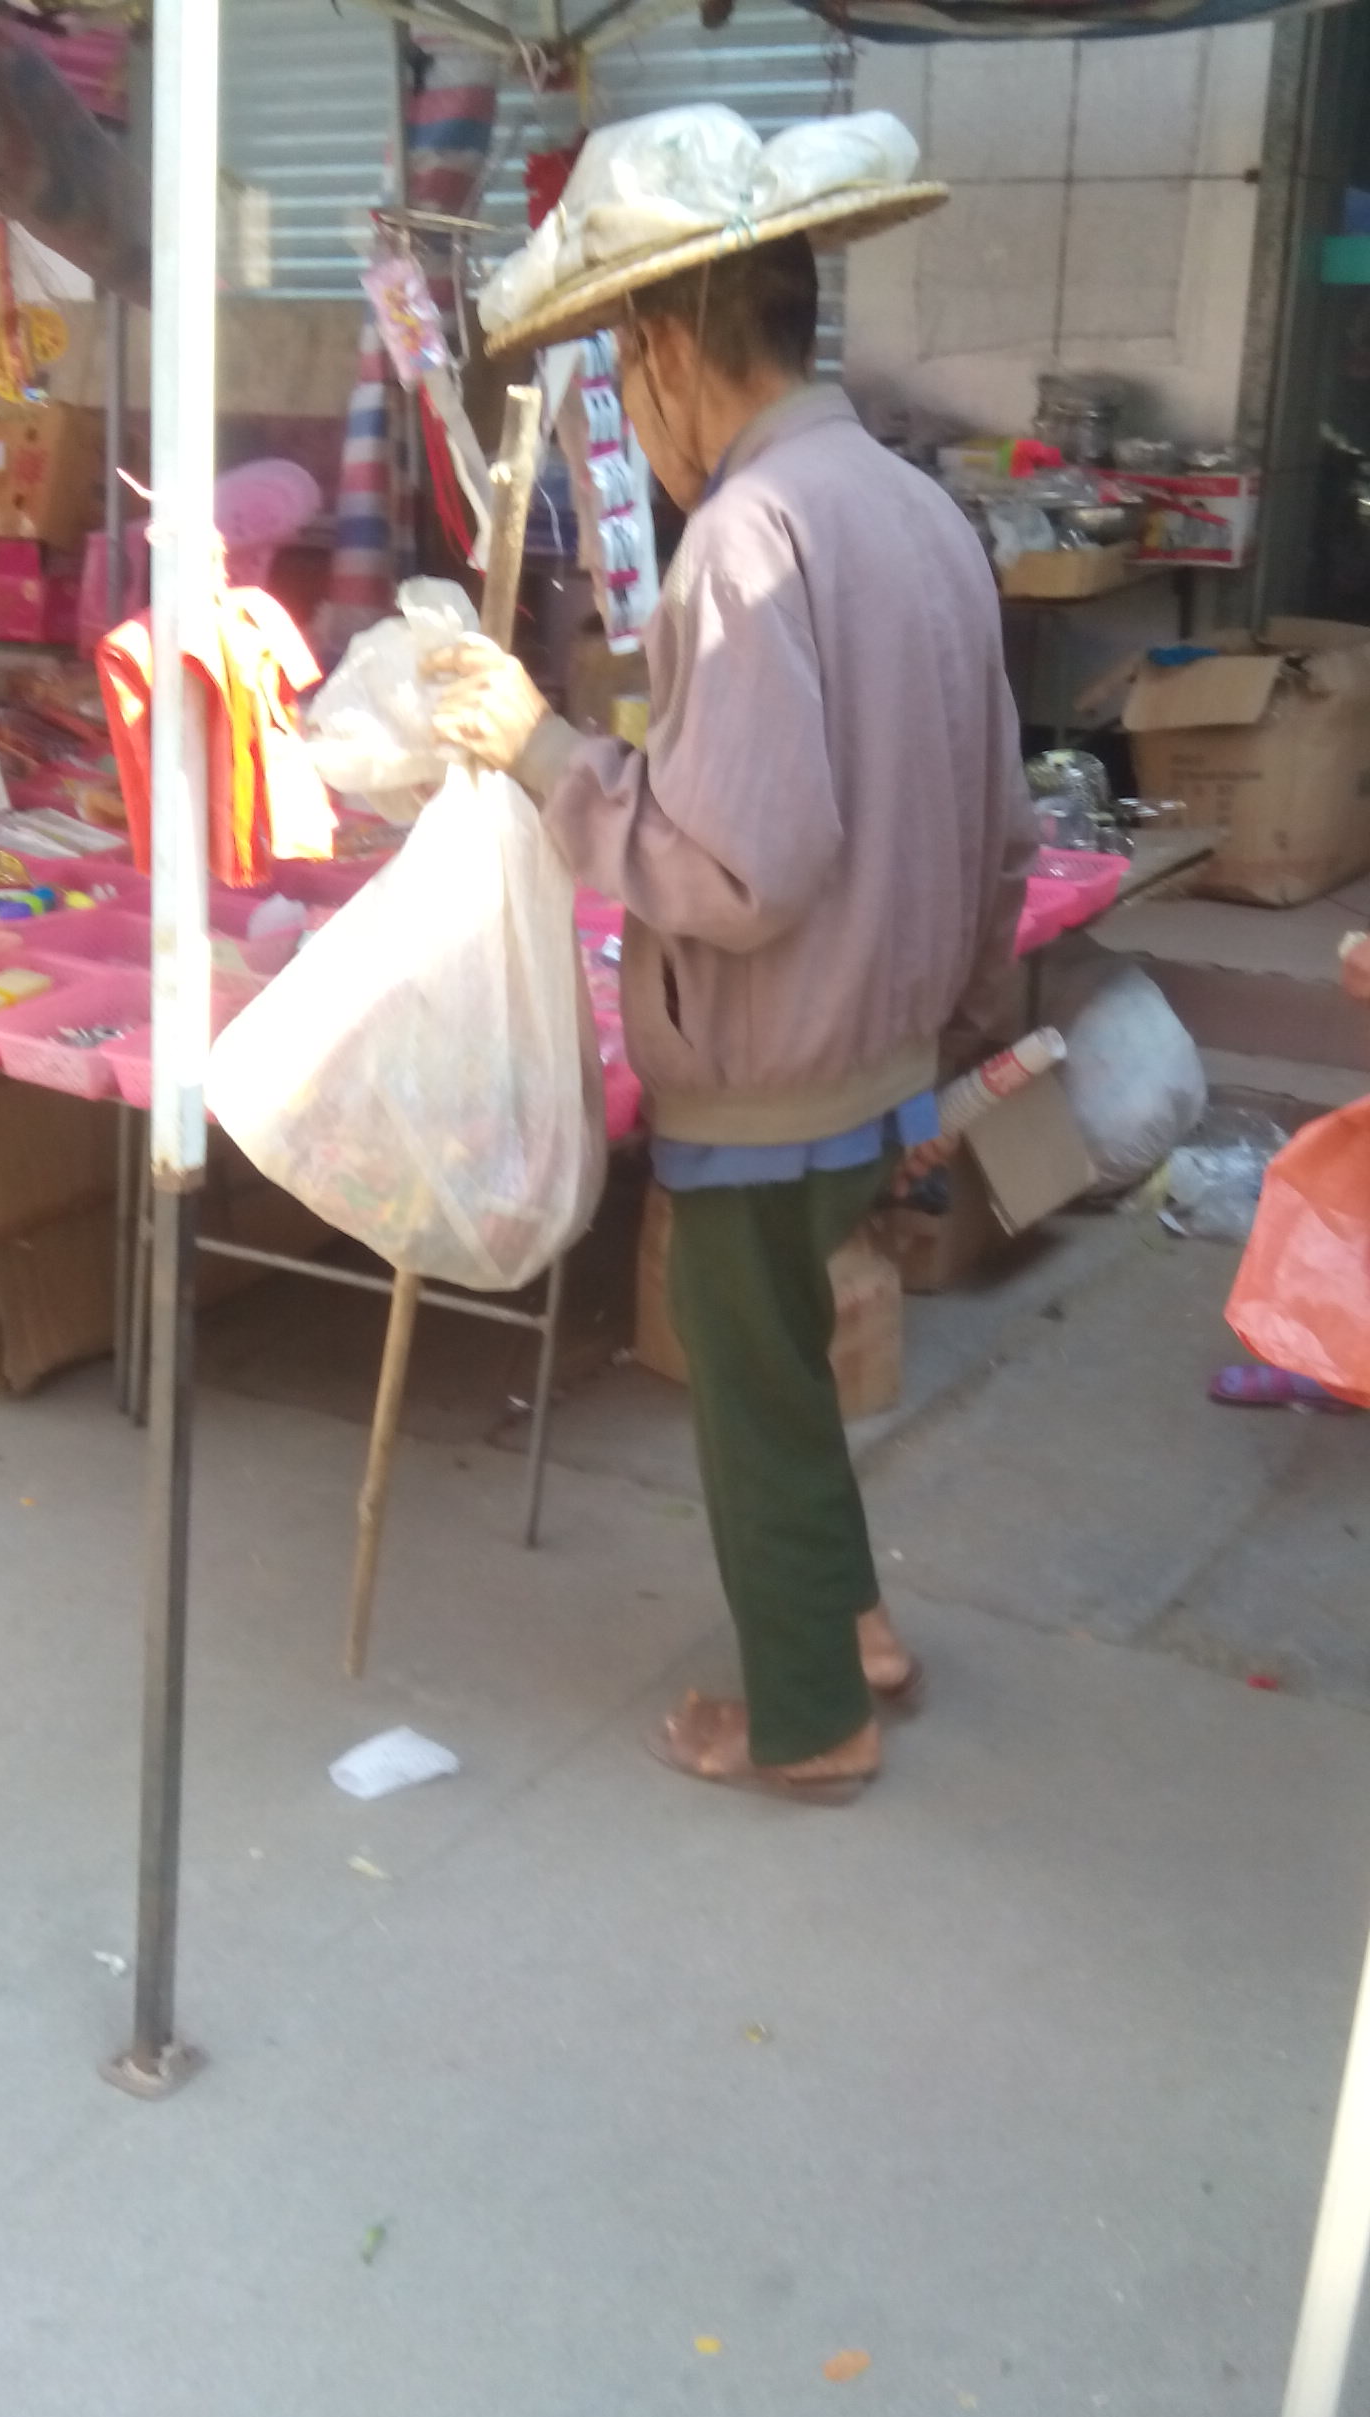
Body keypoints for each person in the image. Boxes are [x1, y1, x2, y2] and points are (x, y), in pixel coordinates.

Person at [432, 107, 1037, 1804]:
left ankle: (807, 1721)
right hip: (879, 1054)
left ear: (674, 347)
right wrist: (956, 1015)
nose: (632, 414)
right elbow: (1002, 825)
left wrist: (544, 751)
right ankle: (853, 1629)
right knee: (782, 1371)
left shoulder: (751, 537)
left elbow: (734, 869)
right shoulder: (914, 508)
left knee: (752, 1397)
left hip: (772, 1073)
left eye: (627, 373)